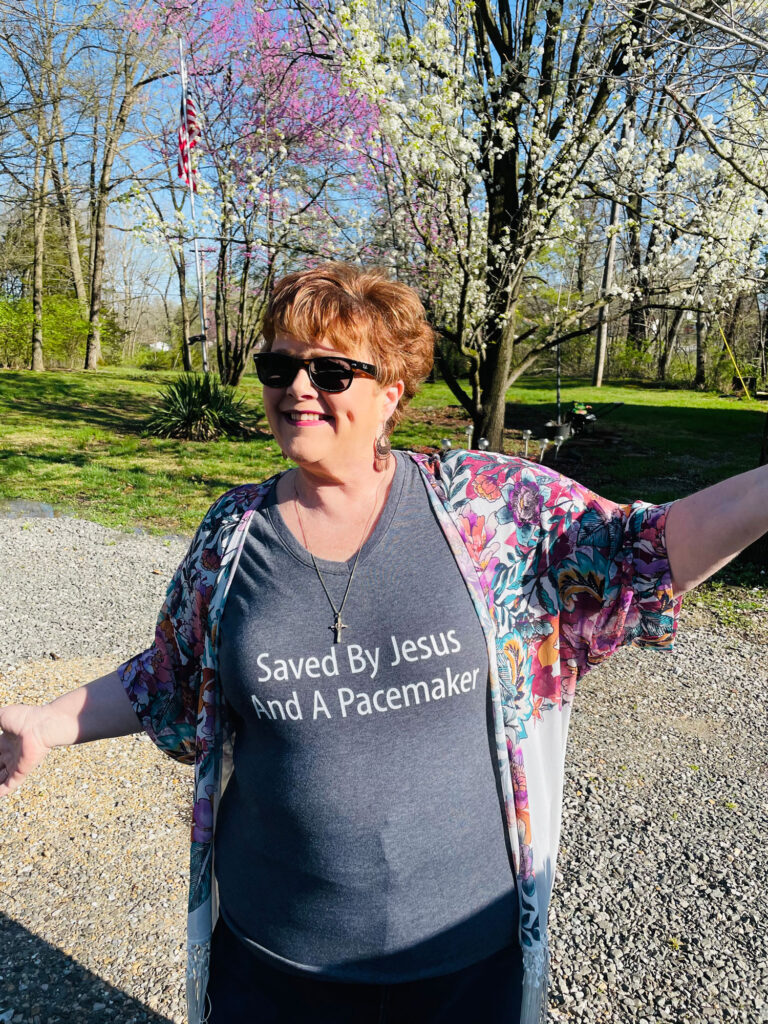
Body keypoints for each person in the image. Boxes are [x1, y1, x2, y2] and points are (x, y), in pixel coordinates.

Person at [1, 263, 766, 1024]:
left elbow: (646, 549)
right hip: (275, 960)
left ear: (390, 393)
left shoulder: (487, 512)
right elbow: (170, 675)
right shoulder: (231, 538)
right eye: (279, 365)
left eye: (332, 371)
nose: (299, 387)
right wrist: (44, 723)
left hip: (464, 958)